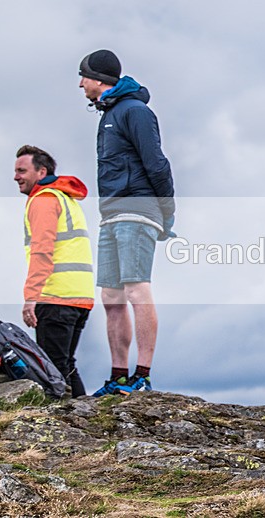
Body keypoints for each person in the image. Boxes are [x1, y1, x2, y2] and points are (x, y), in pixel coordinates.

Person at [78, 49, 175, 396]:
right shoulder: (108, 114)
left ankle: (142, 375)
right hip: (112, 212)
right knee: (111, 295)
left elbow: (157, 162)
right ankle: (119, 376)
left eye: (84, 76)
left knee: (136, 287)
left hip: (138, 208)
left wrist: (166, 210)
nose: (80, 83)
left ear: (100, 79)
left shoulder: (134, 111)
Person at [14, 145, 94, 398]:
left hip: (55, 295)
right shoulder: (64, 198)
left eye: (21, 170)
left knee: (53, 370)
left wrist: (31, 296)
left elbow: (42, 250)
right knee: (66, 365)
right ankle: (84, 421)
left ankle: (66, 428)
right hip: (79, 296)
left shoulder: (44, 200)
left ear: (41, 171)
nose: (16, 176)